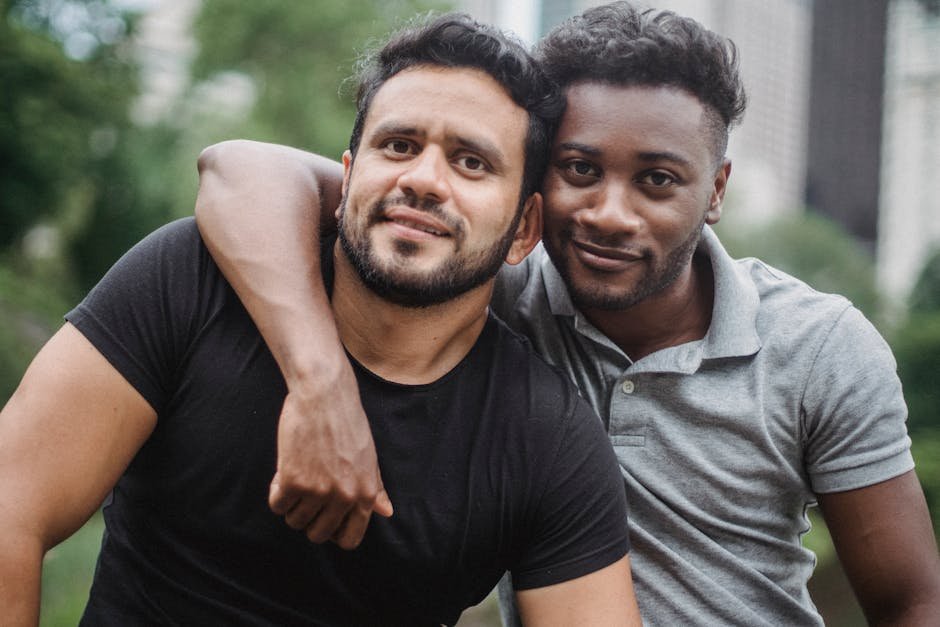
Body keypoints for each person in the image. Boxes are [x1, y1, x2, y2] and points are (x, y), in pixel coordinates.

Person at [195, 2, 940, 624]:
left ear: (715, 191)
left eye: (657, 180)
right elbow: (241, 170)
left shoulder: (821, 345)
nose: (610, 214)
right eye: (580, 170)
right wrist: (319, 381)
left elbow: (912, 597)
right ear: (533, 187)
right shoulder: (493, 288)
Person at [0, 13, 645, 626]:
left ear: (523, 230)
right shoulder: (190, 278)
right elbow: (12, 507)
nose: (423, 179)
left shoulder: (547, 437)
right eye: (398, 145)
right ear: (346, 175)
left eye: (471, 162)